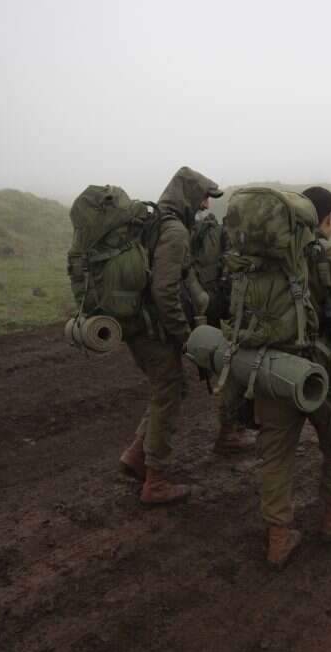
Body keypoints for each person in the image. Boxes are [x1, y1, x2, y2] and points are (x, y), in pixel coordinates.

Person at [255, 186, 331, 568]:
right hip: (320, 377)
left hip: (271, 370)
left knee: (275, 453)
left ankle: (279, 536)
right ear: (328, 219)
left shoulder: (262, 259)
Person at [118, 166, 223, 505]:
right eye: (204, 196)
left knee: (169, 387)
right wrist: (185, 337)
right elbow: (165, 290)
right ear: (190, 195)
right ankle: (156, 481)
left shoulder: (153, 221)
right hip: (152, 328)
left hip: (137, 325)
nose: (207, 205)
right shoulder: (174, 230)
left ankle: (137, 455)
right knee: (169, 391)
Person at [190, 209, 256, 455]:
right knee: (234, 368)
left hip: (199, 310)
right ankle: (229, 433)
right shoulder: (230, 240)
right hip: (223, 313)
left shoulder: (203, 233)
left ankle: (232, 429)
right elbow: (232, 280)